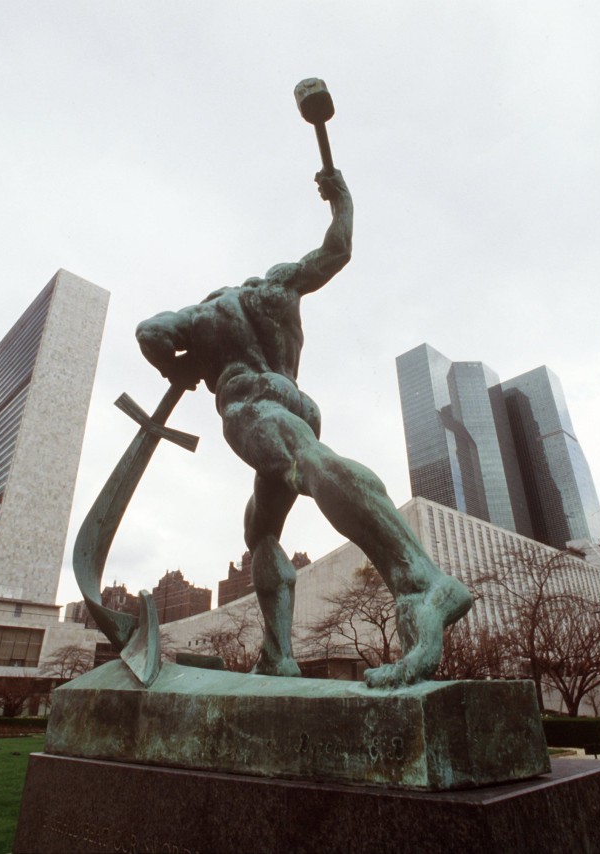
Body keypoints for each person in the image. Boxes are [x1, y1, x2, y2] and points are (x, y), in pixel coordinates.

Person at [136, 169, 471, 689]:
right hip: (294, 398)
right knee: (261, 529)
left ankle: (421, 583)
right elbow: (335, 251)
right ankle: (278, 654)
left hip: (249, 403)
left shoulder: (203, 316)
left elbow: (150, 332)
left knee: (307, 462)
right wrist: (342, 202)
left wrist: (177, 368)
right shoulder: (276, 287)